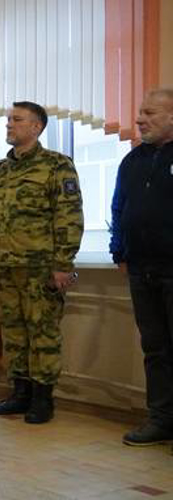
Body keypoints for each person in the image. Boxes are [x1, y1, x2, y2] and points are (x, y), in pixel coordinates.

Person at [0, 101, 83, 424]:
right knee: (13, 332)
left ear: (36, 127)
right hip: (7, 267)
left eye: (16, 119)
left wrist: (63, 263)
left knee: (43, 334)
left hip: (40, 267)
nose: (9, 124)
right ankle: (20, 393)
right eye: (8, 119)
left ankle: (43, 399)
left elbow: (69, 216)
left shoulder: (56, 166)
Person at [111, 88, 173, 446]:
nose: (139, 119)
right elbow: (119, 208)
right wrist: (119, 251)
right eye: (139, 112)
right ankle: (162, 419)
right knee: (155, 349)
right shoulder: (132, 160)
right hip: (141, 269)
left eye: (149, 113)